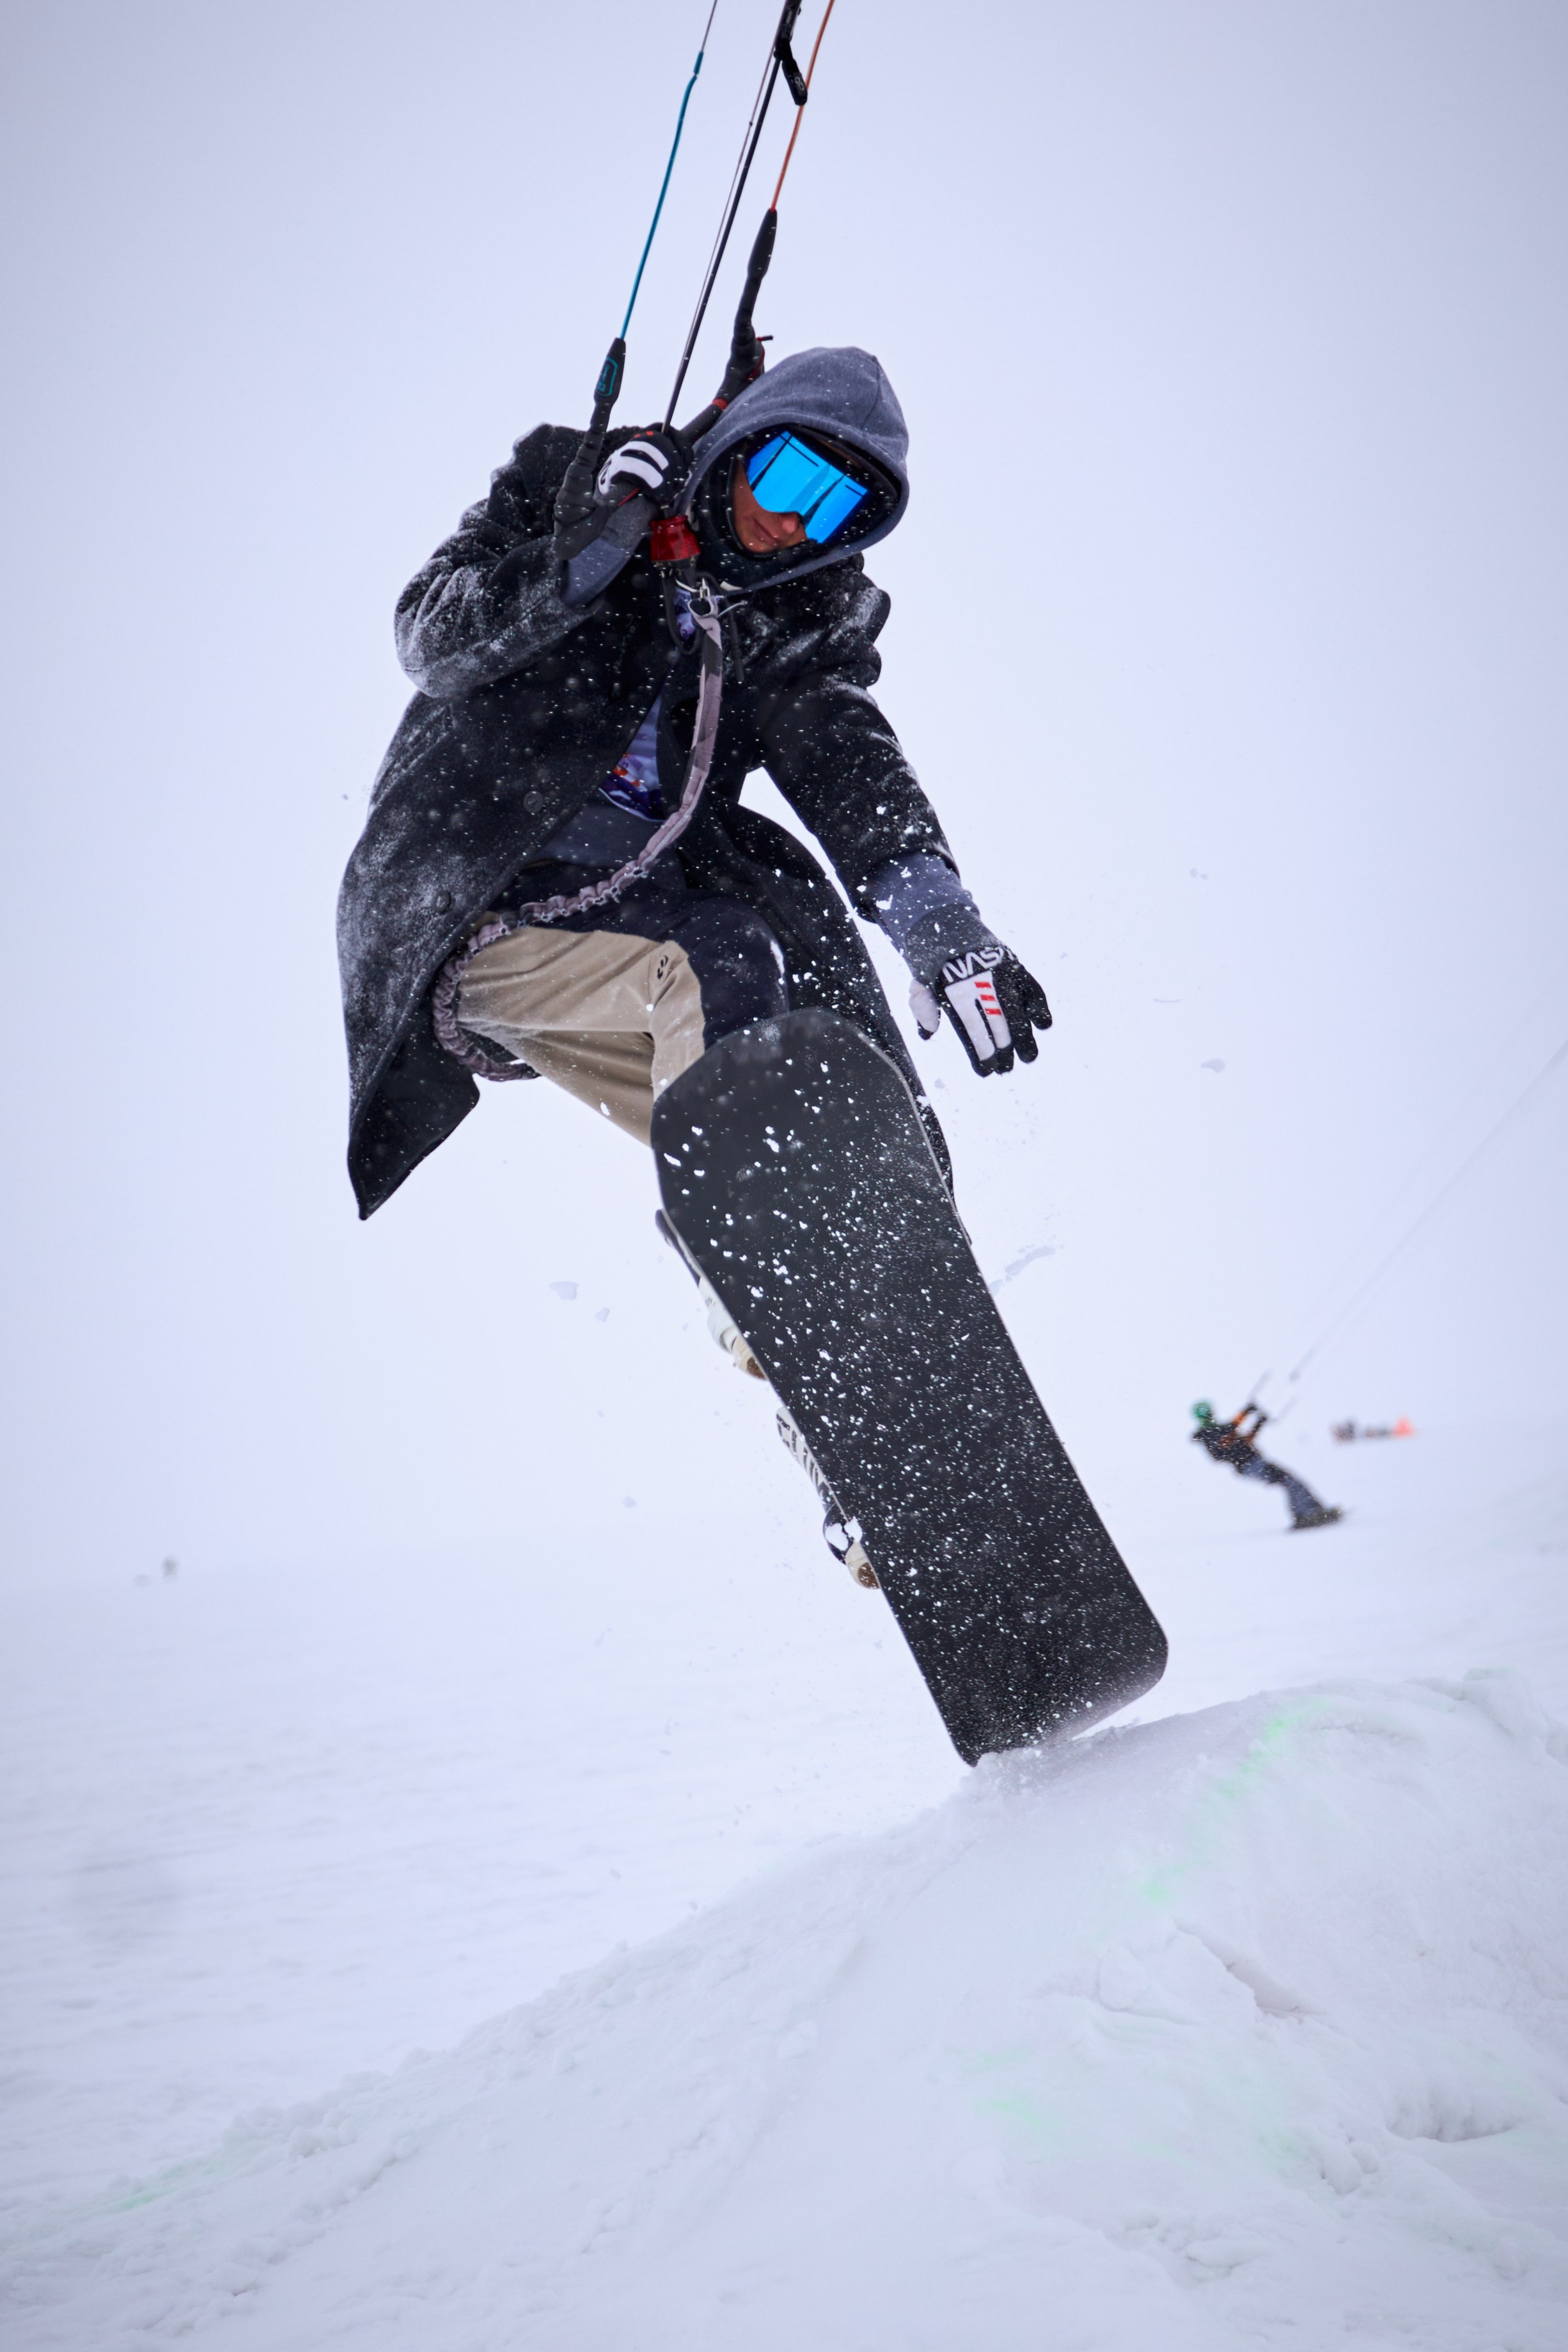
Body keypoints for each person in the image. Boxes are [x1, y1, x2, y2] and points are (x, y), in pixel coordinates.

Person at [337, 344, 1053, 1553]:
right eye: (782, 477)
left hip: (648, 935)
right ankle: (765, 1270)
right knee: (730, 960)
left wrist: (933, 911)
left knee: (833, 1065)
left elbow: (840, 746)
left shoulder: (794, 607)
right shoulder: (580, 479)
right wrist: (579, 553)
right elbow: (431, 634)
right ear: (742, 440)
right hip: (483, 915)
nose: (787, 522)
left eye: (831, 510)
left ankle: (870, 1436)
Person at [1189, 1402, 1341, 1531]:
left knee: (1291, 1481)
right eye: (1207, 1413)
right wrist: (1245, 1413)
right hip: (1250, 1466)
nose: (1210, 1415)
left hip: (1254, 1464)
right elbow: (1229, 1433)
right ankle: (1306, 1514)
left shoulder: (1219, 1431)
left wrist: (1259, 1423)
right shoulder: (1208, 1434)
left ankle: (1313, 1511)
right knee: (1289, 1481)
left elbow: (1245, 1440)